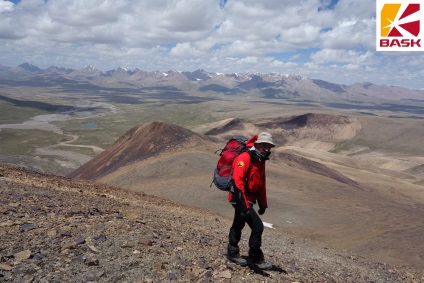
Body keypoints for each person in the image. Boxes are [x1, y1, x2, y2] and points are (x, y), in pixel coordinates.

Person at [227, 132, 275, 270]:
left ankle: (232, 252)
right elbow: (238, 182)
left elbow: (261, 184)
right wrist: (244, 205)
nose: (267, 149)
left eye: (269, 146)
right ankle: (256, 257)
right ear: (257, 144)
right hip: (239, 198)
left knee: (238, 224)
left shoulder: (260, 160)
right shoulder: (245, 158)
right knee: (258, 226)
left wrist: (263, 203)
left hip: (249, 199)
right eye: (265, 145)